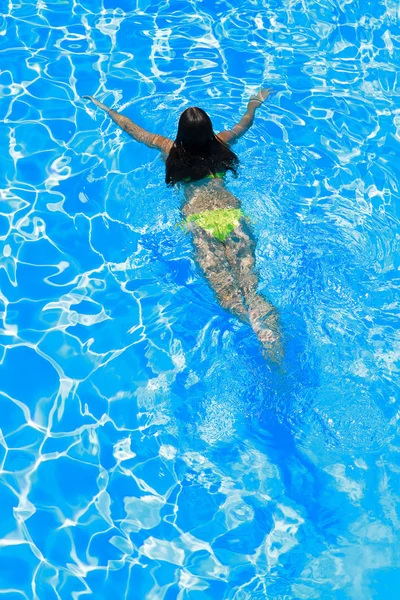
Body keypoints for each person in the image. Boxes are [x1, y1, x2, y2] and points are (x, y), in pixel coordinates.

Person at [83, 90, 282, 362]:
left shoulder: (169, 149)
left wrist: (106, 109)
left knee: (227, 293)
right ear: (209, 130)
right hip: (232, 216)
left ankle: (256, 328)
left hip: (200, 222)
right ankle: (273, 338)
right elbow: (244, 122)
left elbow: (132, 129)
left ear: (181, 134)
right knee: (250, 286)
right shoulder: (222, 143)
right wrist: (254, 101)